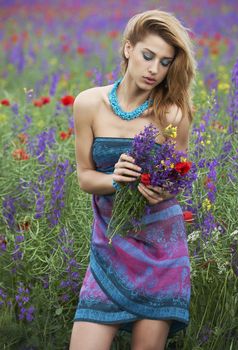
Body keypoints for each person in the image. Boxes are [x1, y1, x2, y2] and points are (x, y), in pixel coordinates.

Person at [69, 8, 196, 350]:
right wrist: (115, 180)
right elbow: (85, 177)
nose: (155, 69)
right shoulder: (88, 104)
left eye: (165, 62)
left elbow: (178, 178)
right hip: (109, 248)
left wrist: (162, 188)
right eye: (148, 55)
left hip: (160, 251)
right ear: (128, 49)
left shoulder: (172, 114)